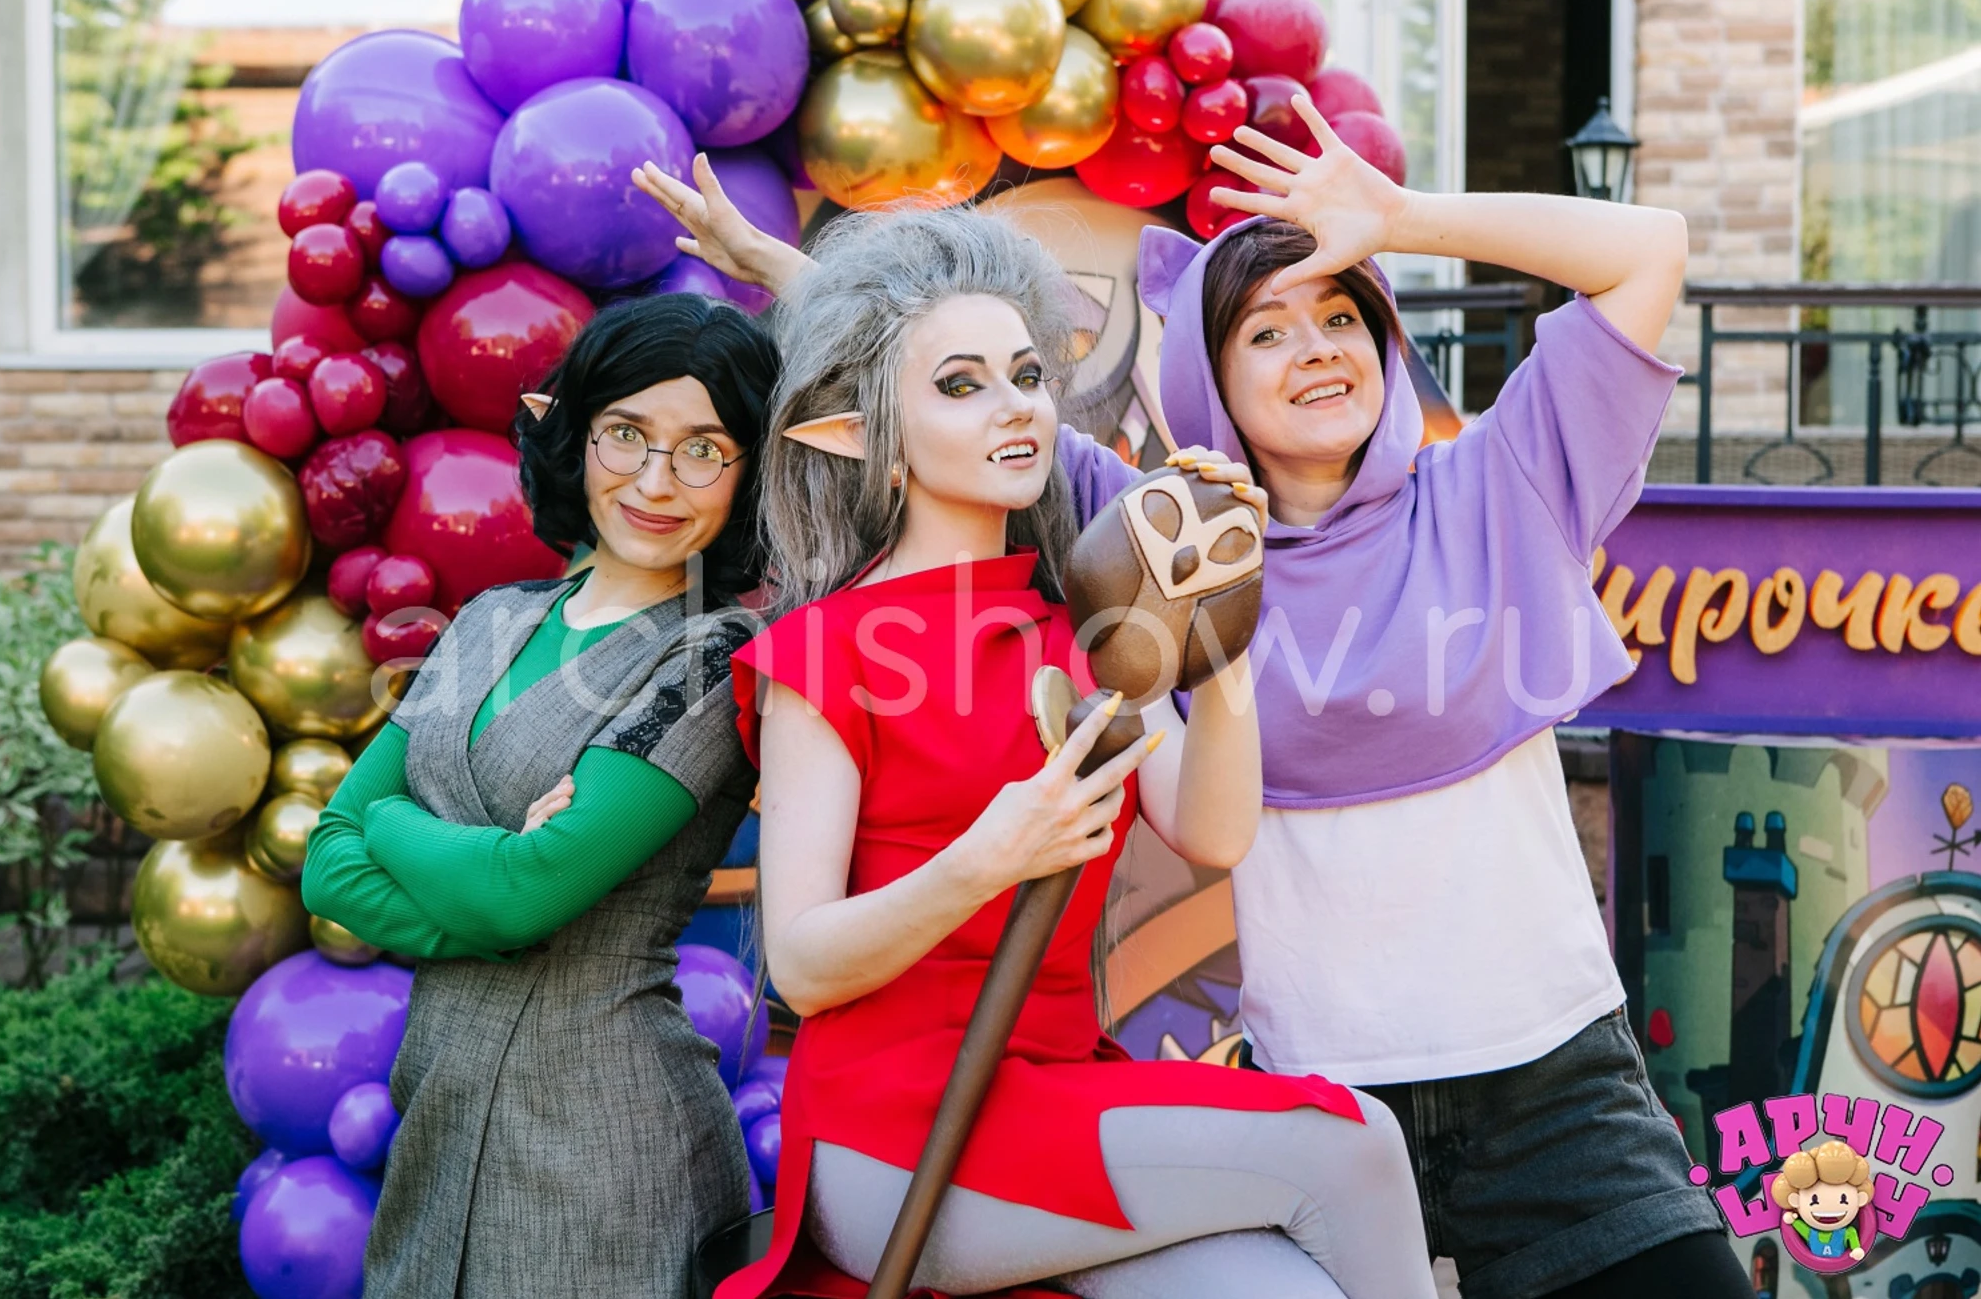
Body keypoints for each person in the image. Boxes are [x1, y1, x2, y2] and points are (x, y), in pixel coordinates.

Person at [644, 86, 1742, 1299]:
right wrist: (777, 269)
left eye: (1341, 314)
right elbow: (928, 387)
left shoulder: (1500, 486)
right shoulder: (1138, 543)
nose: (1314, 347)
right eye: (1265, 331)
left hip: (1549, 1082)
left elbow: (1648, 251)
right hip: (1311, 1071)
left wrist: (1398, 218)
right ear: (1203, 378)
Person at [712, 207, 1436, 1299]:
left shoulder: (1086, 635)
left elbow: (1211, 829)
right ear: (866, 438)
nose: (1016, 406)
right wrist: (988, 857)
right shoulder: (822, 650)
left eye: (1025, 376)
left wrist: (1220, 623)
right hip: (899, 1140)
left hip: (1056, 1098)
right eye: (960, 385)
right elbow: (805, 966)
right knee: (1353, 1141)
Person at [300, 293, 778, 1299]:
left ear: (749, 474)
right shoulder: (490, 619)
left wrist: (396, 824)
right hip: (439, 1116)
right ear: (576, 435)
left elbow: (522, 895)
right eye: (625, 434)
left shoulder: (711, 655)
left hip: (605, 1140)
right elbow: (328, 860)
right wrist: (480, 885)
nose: (655, 480)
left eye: (703, 449)